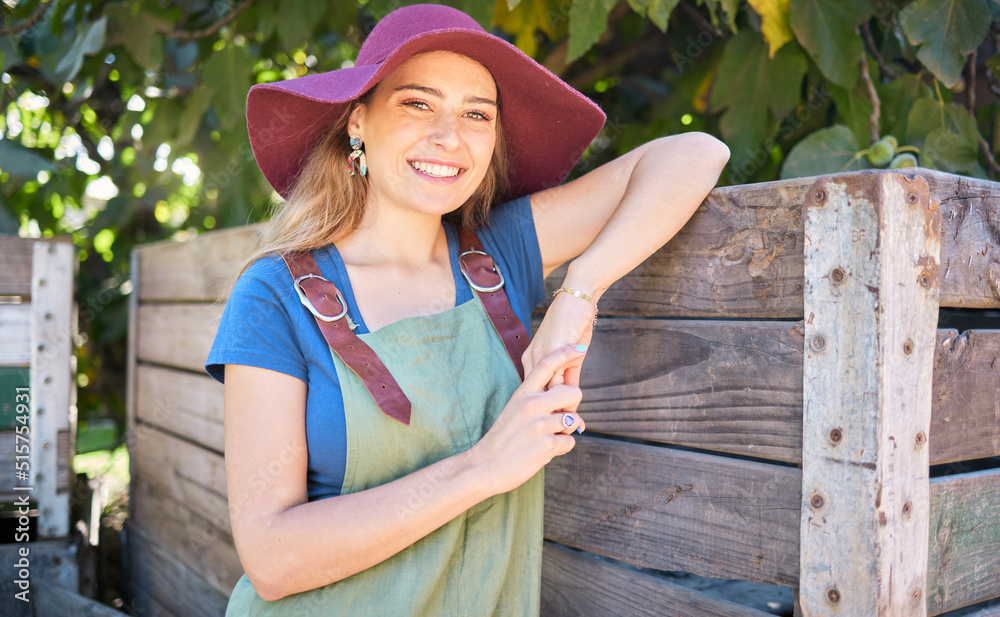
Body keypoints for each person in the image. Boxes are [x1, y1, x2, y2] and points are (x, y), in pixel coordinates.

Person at [206, 4, 729, 615]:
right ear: (358, 121)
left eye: (476, 114)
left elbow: (695, 154)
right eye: (417, 103)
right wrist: (484, 467)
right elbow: (271, 560)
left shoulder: (500, 255)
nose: (449, 137)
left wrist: (578, 292)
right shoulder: (274, 295)